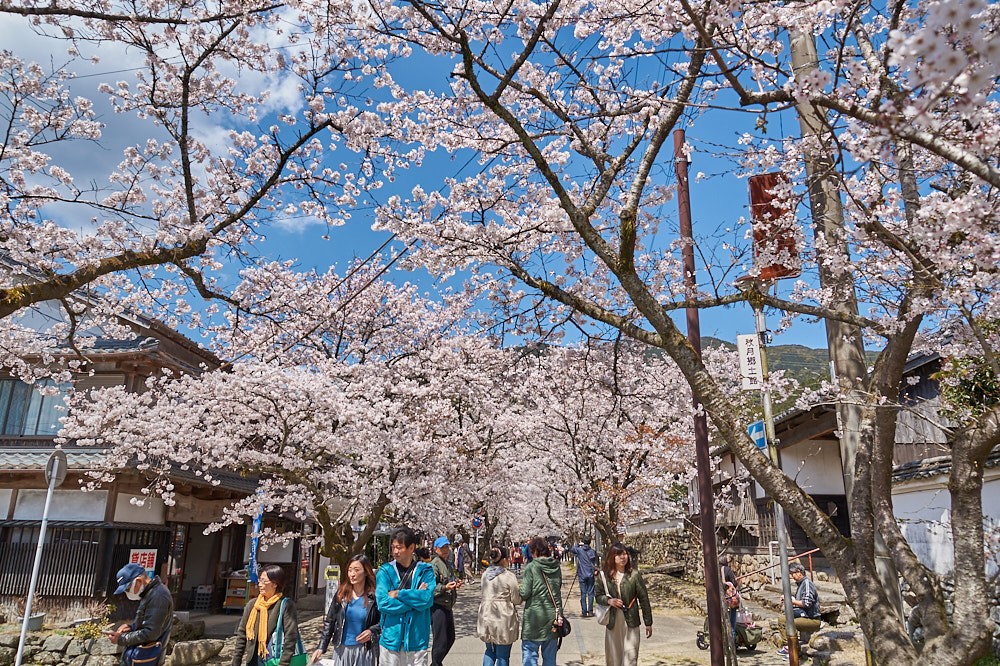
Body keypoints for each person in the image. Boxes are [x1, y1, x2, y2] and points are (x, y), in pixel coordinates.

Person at [375, 526, 436, 666]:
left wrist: (398, 593)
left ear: (411, 548)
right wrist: (415, 602)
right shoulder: (385, 571)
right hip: (391, 640)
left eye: (399, 547)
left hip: (417, 639)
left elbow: (427, 598)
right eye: (393, 547)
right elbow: (383, 603)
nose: (395, 551)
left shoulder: (425, 571)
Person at [311, 555, 380, 666]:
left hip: (364, 650)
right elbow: (330, 621)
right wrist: (321, 647)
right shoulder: (341, 594)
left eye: (356, 570)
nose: (352, 574)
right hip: (341, 649)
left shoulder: (374, 597)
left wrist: (372, 631)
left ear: (366, 572)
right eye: (349, 570)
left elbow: (383, 622)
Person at [594, 543, 652, 666]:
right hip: (613, 621)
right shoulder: (604, 576)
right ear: (612, 557)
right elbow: (598, 595)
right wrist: (609, 601)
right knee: (614, 657)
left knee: (631, 656)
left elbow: (644, 599)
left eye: (625, 554)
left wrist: (648, 622)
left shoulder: (634, 575)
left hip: (631, 620)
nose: (623, 557)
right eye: (619, 554)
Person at [107, 562, 174, 666]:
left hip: (148, 658)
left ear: (138, 581)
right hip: (141, 657)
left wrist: (121, 639)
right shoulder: (150, 593)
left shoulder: (158, 596)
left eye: (127, 589)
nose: (127, 593)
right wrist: (130, 627)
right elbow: (147, 623)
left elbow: (151, 633)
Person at [232, 565, 300, 666]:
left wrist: (284, 663)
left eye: (264, 581)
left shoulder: (285, 605)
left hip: (273, 660)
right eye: (260, 581)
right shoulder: (253, 605)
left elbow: (290, 637)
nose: (260, 584)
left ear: (275, 584)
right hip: (253, 659)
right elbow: (242, 634)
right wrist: (236, 661)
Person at [518, 537, 563, 666]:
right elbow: (557, 589)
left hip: (534, 617)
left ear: (534, 551)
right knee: (550, 658)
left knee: (530, 655)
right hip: (554, 616)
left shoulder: (531, 567)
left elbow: (525, 593)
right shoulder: (556, 566)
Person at [477, 546, 522, 666]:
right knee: (502, 655)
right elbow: (516, 599)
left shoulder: (485, 575)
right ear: (505, 559)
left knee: (489, 651)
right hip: (503, 617)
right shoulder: (508, 576)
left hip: (486, 614)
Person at [776, 563, 821, 657]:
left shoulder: (807, 584)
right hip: (803, 615)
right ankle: (788, 646)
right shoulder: (801, 584)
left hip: (812, 619)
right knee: (782, 619)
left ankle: (794, 649)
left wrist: (793, 601)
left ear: (799, 572)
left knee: (790, 623)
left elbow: (806, 603)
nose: (792, 576)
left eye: (793, 573)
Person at [429, 536, 462, 666]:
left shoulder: (447, 564)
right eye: (442, 547)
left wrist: (455, 583)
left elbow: (449, 580)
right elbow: (431, 587)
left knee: (450, 638)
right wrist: (445, 587)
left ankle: (436, 663)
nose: (445, 550)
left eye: (447, 547)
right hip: (438, 606)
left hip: (448, 605)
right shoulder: (434, 564)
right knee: (440, 641)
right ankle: (436, 664)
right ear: (436, 549)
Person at [570, 538, 599, 617]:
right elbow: (596, 563)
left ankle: (584, 611)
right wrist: (596, 571)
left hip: (582, 574)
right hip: (590, 574)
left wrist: (578, 544)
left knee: (583, 593)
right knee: (590, 593)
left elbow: (572, 549)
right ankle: (590, 611)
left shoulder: (579, 550)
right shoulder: (593, 551)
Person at [719, 556, 739, 641]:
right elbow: (734, 582)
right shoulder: (727, 570)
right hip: (729, 600)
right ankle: (732, 639)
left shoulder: (714, 569)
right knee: (732, 619)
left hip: (718, 599)